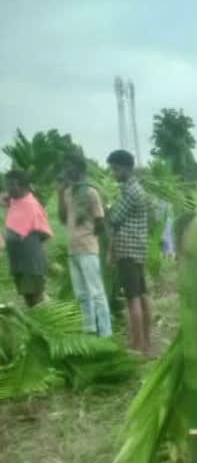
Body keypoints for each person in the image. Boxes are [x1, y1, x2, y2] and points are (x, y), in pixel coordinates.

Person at [59, 152, 113, 337]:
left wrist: (89, 236)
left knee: (96, 293)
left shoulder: (91, 192)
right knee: (82, 294)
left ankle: (105, 332)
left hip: (88, 249)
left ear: (79, 168)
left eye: (69, 165)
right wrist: (60, 192)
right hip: (73, 250)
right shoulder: (67, 192)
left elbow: (100, 221)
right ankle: (89, 328)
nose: (66, 169)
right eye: (64, 166)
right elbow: (62, 218)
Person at [105, 150, 152, 354]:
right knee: (142, 295)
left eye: (115, 169)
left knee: (132, 298)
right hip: (138, 249)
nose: (113, 173)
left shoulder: (130, 192)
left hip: (127, 250)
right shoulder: (137, 189)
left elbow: (114, 219)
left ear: (124, 168)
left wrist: (106, 207)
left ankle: (138, 345)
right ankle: (146, 342)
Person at [2, 170, 53, 307]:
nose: (9, 189)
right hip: (18, 262)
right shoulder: (15, 201)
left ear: (23, 186)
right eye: (7, 185)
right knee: (27, 297)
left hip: (30, 262)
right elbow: (4, 197)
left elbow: (44, 233)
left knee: (36, 298)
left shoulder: (31, 206)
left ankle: (47, 324)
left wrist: (28, 241)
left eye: (12, 185)